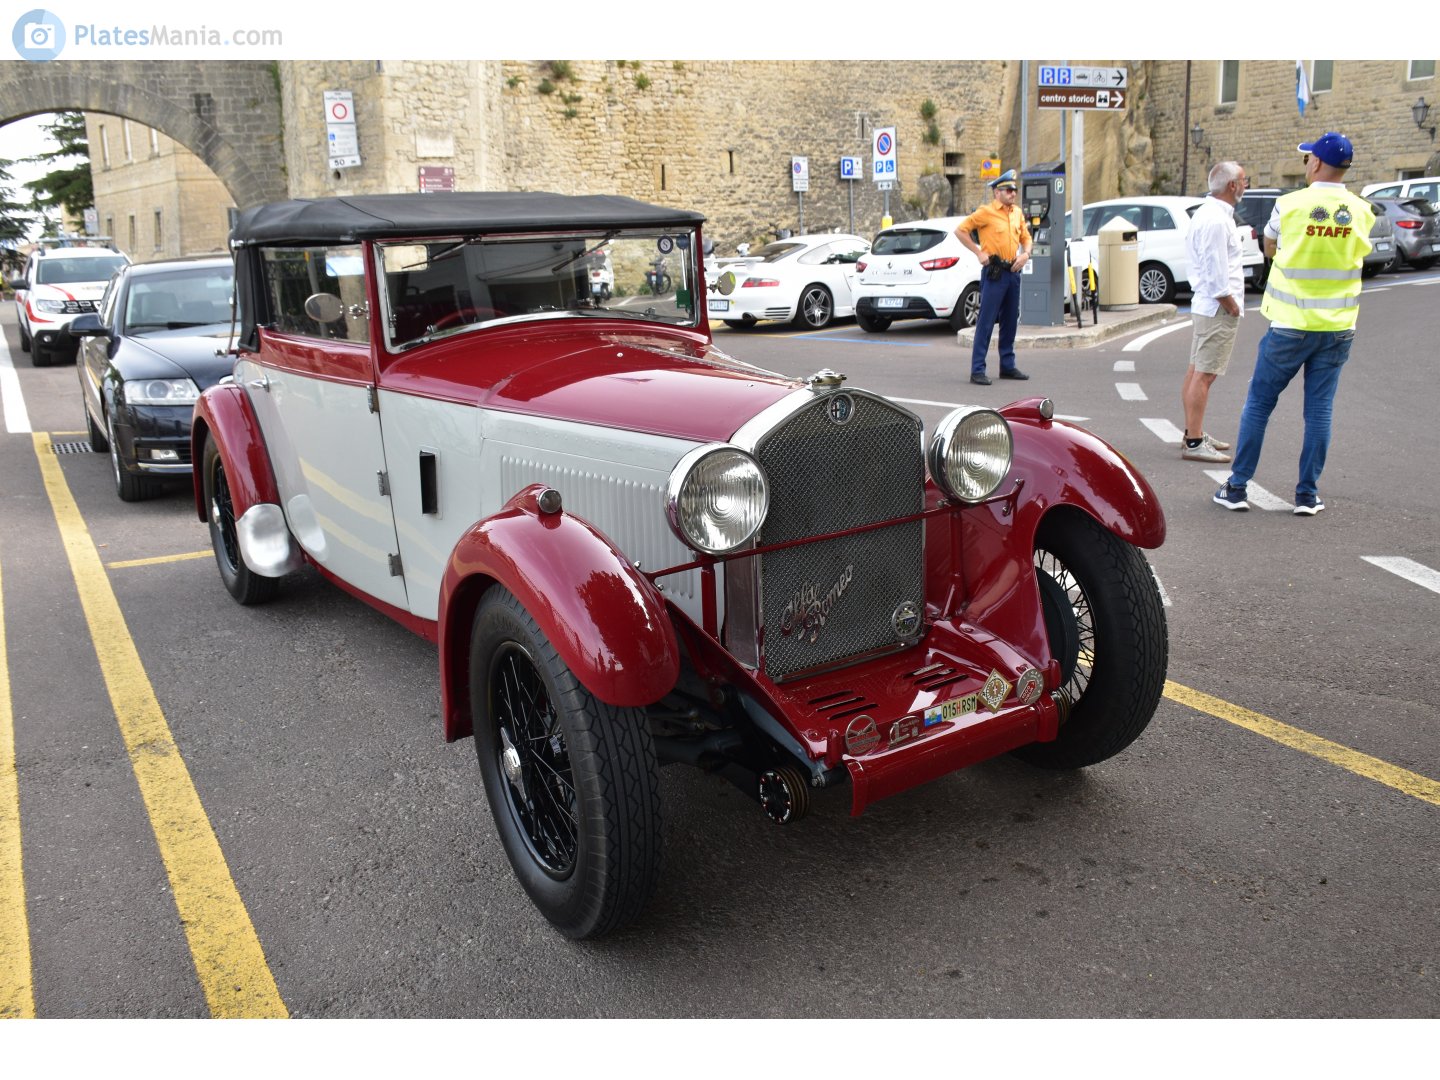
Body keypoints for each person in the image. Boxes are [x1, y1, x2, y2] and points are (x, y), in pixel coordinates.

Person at [1213, 132, 1373, 515]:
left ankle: (1237, 488)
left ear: (1316, 162)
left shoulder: (1289, 205)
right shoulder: (1362, 210)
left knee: (1259, 403)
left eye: (1307, 160)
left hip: (1289, 325)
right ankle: (1307, 495)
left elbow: (1269, 247)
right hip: (1337, 327)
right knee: (1319, 411)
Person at [1180, 161, 1248, 464]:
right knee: (1204, 375)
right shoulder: (1216, 220)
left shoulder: (1209, 214)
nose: (1246, 185)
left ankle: (1192, 433)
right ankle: (1194, 441)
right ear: (1232, 185)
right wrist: (1230, 305)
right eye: (1244, 180)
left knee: (1197, 370)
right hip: (1216, 306)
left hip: (1207, 305)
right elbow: (1216, 268)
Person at [955, 170, 1031, 385]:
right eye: (1008, 190)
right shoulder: (986, 212)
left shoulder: (1017, 213)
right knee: (986, 322)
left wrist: (1025, 254)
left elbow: (1026, 238)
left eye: (1015, 190)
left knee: (1010, 320)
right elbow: (961, 231)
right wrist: (979, 253)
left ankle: (1007, 365)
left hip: (1013, 271)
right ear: (997, 192)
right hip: (995, 272)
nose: (1013, 193)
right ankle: (977, 369)